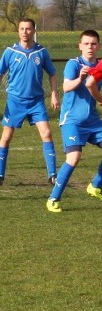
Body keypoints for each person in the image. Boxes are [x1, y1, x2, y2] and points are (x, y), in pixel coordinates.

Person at [0, 18, 59, 186]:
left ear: (34, 30)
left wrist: (54, 94)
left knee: (47, 134)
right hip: (15, 102)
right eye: (22, 29)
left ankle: (53, 175)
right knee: (6, 137)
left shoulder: (41, 52)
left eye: (28, 29)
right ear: (18, 31)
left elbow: (53, 74)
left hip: (36, 101)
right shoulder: (10, 52)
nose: (25, 32)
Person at [45, 30, 102, 213]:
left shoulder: (100, 66)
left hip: (93, 121)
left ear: (98, 46)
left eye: (93, 43)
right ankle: (54, 198)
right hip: (72, 121)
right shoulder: (74, 64)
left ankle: (95, 185)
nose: (90, 47)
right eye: (86, 43)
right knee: (74, 157)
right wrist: (81, 78)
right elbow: (66, 87)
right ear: (80, 45)